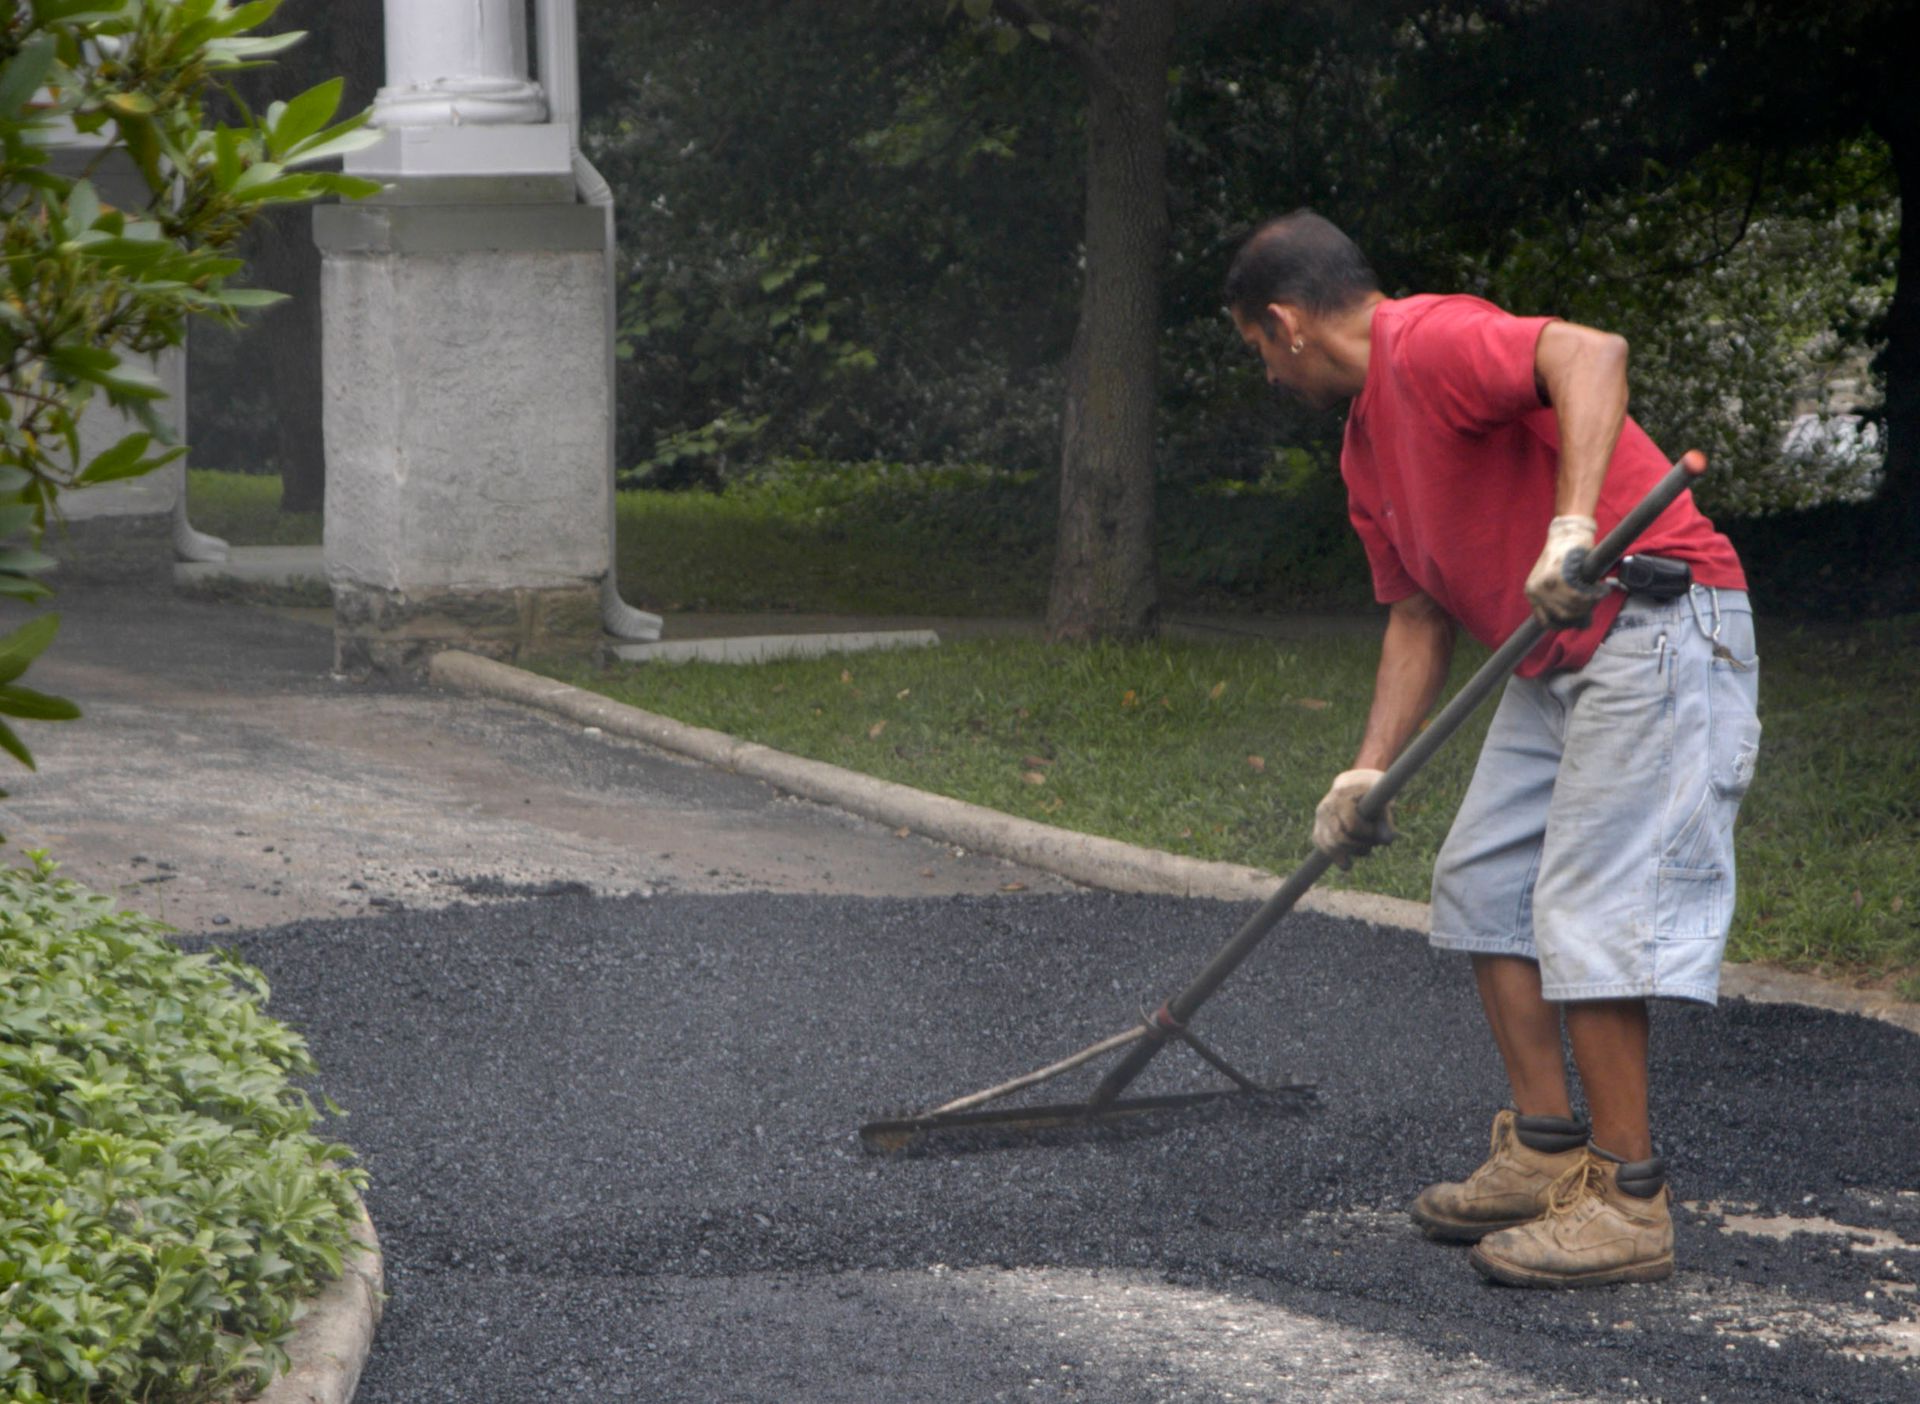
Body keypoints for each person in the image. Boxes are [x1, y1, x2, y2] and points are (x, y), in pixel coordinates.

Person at [1224, 210, 1760, 1289]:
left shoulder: (1428, 342)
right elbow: (1419, 611)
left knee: (1590, 907)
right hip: (1558, 657)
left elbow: (1589, 352)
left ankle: (1627, 1199)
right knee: (1481, 880)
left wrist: (1571, 527)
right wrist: (1368, 768)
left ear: (1283, 324)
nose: (1267, 374)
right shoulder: (1365, 446)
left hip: (1657, 621)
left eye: (1254, 350)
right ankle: (1546, 1147)